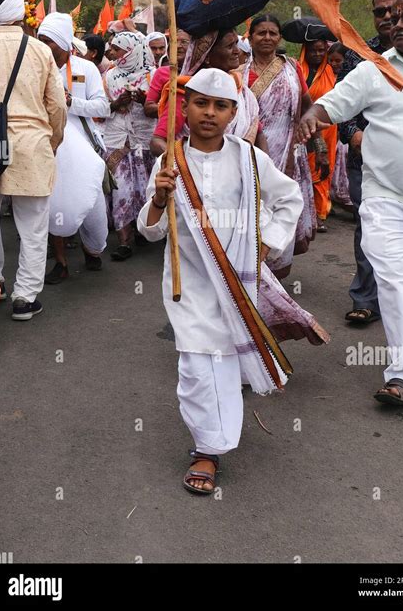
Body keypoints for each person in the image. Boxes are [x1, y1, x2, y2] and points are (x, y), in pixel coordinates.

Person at [137, 68, 308, 494]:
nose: (209, 113)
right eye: (200, 103)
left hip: (238, 281)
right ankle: (206, 448)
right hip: (189, 282)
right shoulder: (169, 160)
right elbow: (150, 230)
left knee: (224, 362)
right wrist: (159, 198)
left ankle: (213, 443)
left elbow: (289, 198)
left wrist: (266, 243)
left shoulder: (250, 158)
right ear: (186, 107)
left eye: (220, 106)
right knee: (196, 364)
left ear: (233, 112)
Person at [298, 0, 403, 405]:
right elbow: (330, 105)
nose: (395, 24)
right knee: (395, 282)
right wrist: (312, 117)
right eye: (393, 17)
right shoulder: (375, 70)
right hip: (387, 198)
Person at [0, 0, 66, 320]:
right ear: (21, 15)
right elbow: (56, 105)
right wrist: (54, 140)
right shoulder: (40, 51)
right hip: (31, 142)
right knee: (32, 225)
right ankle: (25, 298)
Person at [339, 0, 402, 325]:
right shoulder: (357, 53)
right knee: (369, 227)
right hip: (366, 160)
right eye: (381, 12)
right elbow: (341, 103)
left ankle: (400, 302)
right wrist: (354, 134)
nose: (389, 17)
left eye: (395, 9)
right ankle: (364, 298)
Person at [38, 12, 111, 284]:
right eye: (40, 40)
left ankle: (92, 249)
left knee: (92, 206)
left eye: (49, 41)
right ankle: (60, 262)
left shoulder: (86, 69)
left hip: (84, 148)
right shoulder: (33, 68)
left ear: (63, 43)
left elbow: (103, 107)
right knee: (53, 202)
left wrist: (70, 102)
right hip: (48, 147)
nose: (43, 46)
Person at [244, 14, 317, 277]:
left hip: (288, 150)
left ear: (279, 37)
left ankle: (273, 273)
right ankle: (249, 271)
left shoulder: (291, 67)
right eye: (261, 33)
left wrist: (316, 144)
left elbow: (308, 105)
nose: (267, 38)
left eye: (272, 33)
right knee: (254, 209)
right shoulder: (240, 72)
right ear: (250, 37)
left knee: (282, 206)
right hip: (252, 151)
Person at [149, 28, 268, 157]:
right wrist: (185, 165)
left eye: (236, 44)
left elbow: (257, 131)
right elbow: (157, 142)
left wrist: (262, 168)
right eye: (229, 46)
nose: (237, 51)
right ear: (207, 57)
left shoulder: (240, 89)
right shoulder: (188, 92)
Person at [101, 32, 156, 260]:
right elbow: (99, 109)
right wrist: (115, 104)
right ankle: (124, 241)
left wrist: (145, 102)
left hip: (144, 140)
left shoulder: (152, 76)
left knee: (144, 189)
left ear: (133, 51)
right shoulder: (109, 76)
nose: (112, 53)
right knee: (121, 190)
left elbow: (162, 109)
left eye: (118, 49)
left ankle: (144, 229)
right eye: (112, 48)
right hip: (116, 140)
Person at [299, 38, 337, 232]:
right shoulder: (298, 70)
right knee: (302, 170)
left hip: (327, 129)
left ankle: (319, 214)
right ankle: (302, 213)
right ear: (306, 51)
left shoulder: (331, 73)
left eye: (321, 51)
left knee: (322, 170)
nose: (317, 54)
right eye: (313, 51)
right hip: (302, 128)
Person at [144, 29, 191, 125]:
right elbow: (148, 108)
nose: (177, 46)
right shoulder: (162, 72)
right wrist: (175, 108)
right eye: (174, 41)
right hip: (168, 131)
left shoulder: (204, 71)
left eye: (184, 42)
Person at [327, 42, 353, 213]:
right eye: (331, 61)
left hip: (346, 128)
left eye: (338, 60)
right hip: (329, 129)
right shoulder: (325, 77)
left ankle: (345, 197)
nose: (335, 64)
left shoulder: (351, 78)